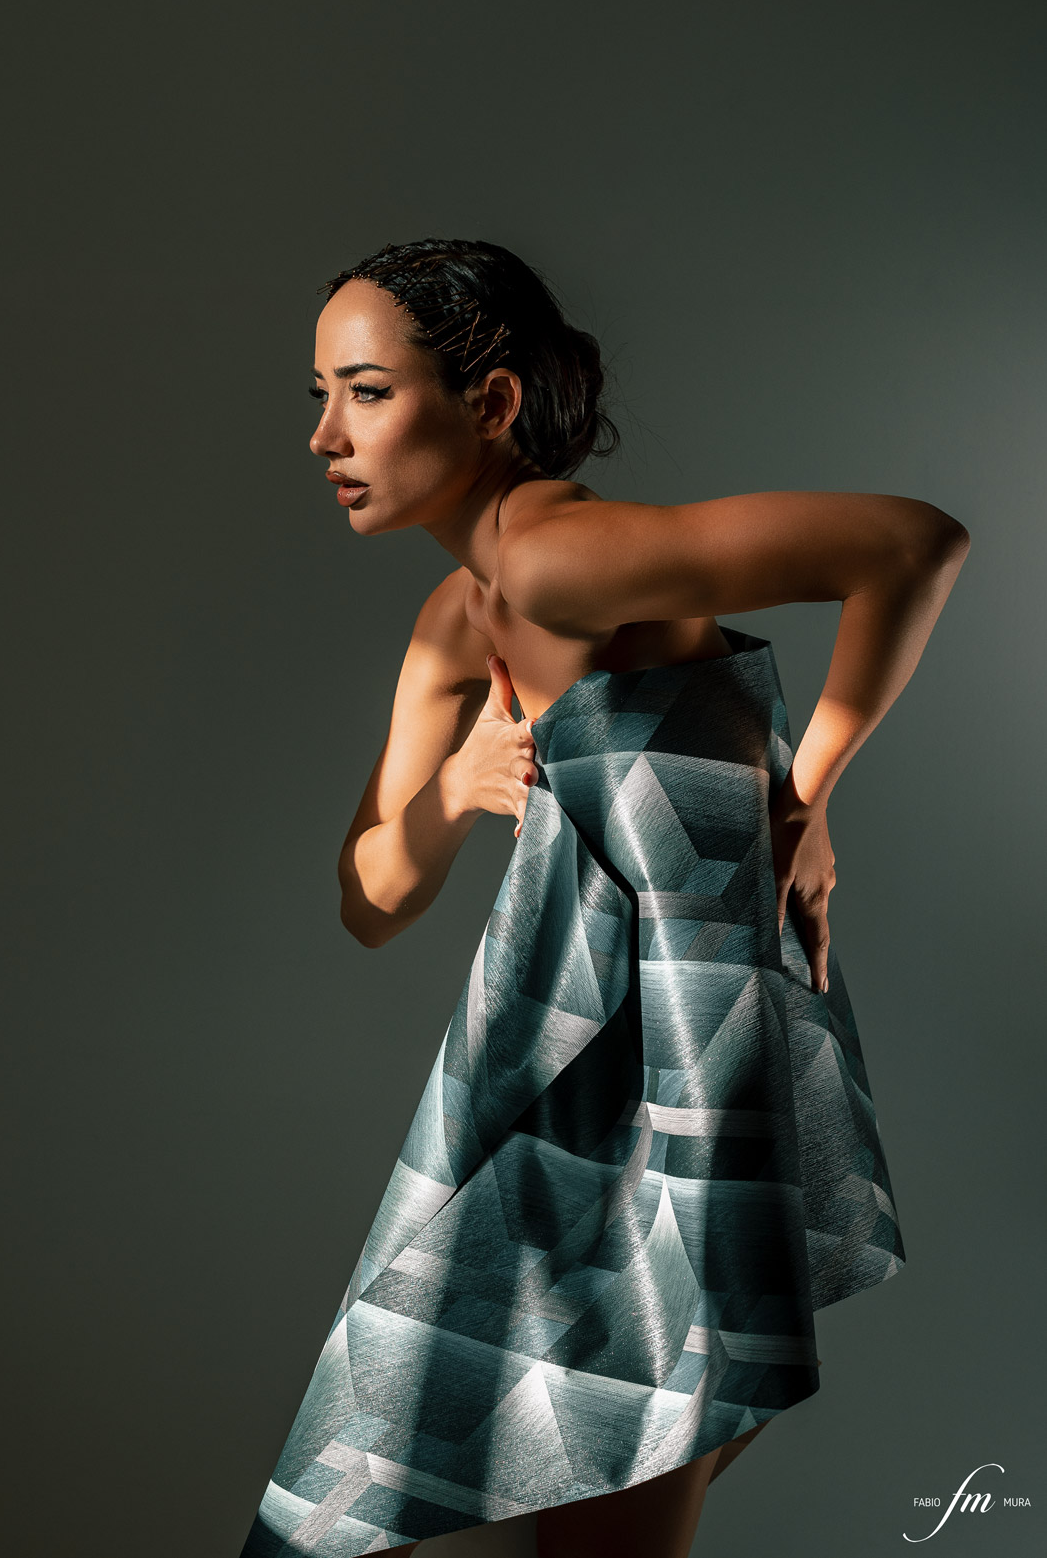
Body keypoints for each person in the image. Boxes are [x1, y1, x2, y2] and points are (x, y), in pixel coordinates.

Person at [238, 238, 970, 1558]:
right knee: (581, 1471)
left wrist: (803, 797)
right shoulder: (456, 618)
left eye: (367, 392)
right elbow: (371, 896)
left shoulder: (561, 557)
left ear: (492, 403)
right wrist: (455, 786)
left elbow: (913, 545)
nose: (325, 437)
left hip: (687, 1052)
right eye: (320, 396)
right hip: (586, 1060)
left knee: (618, 1469)